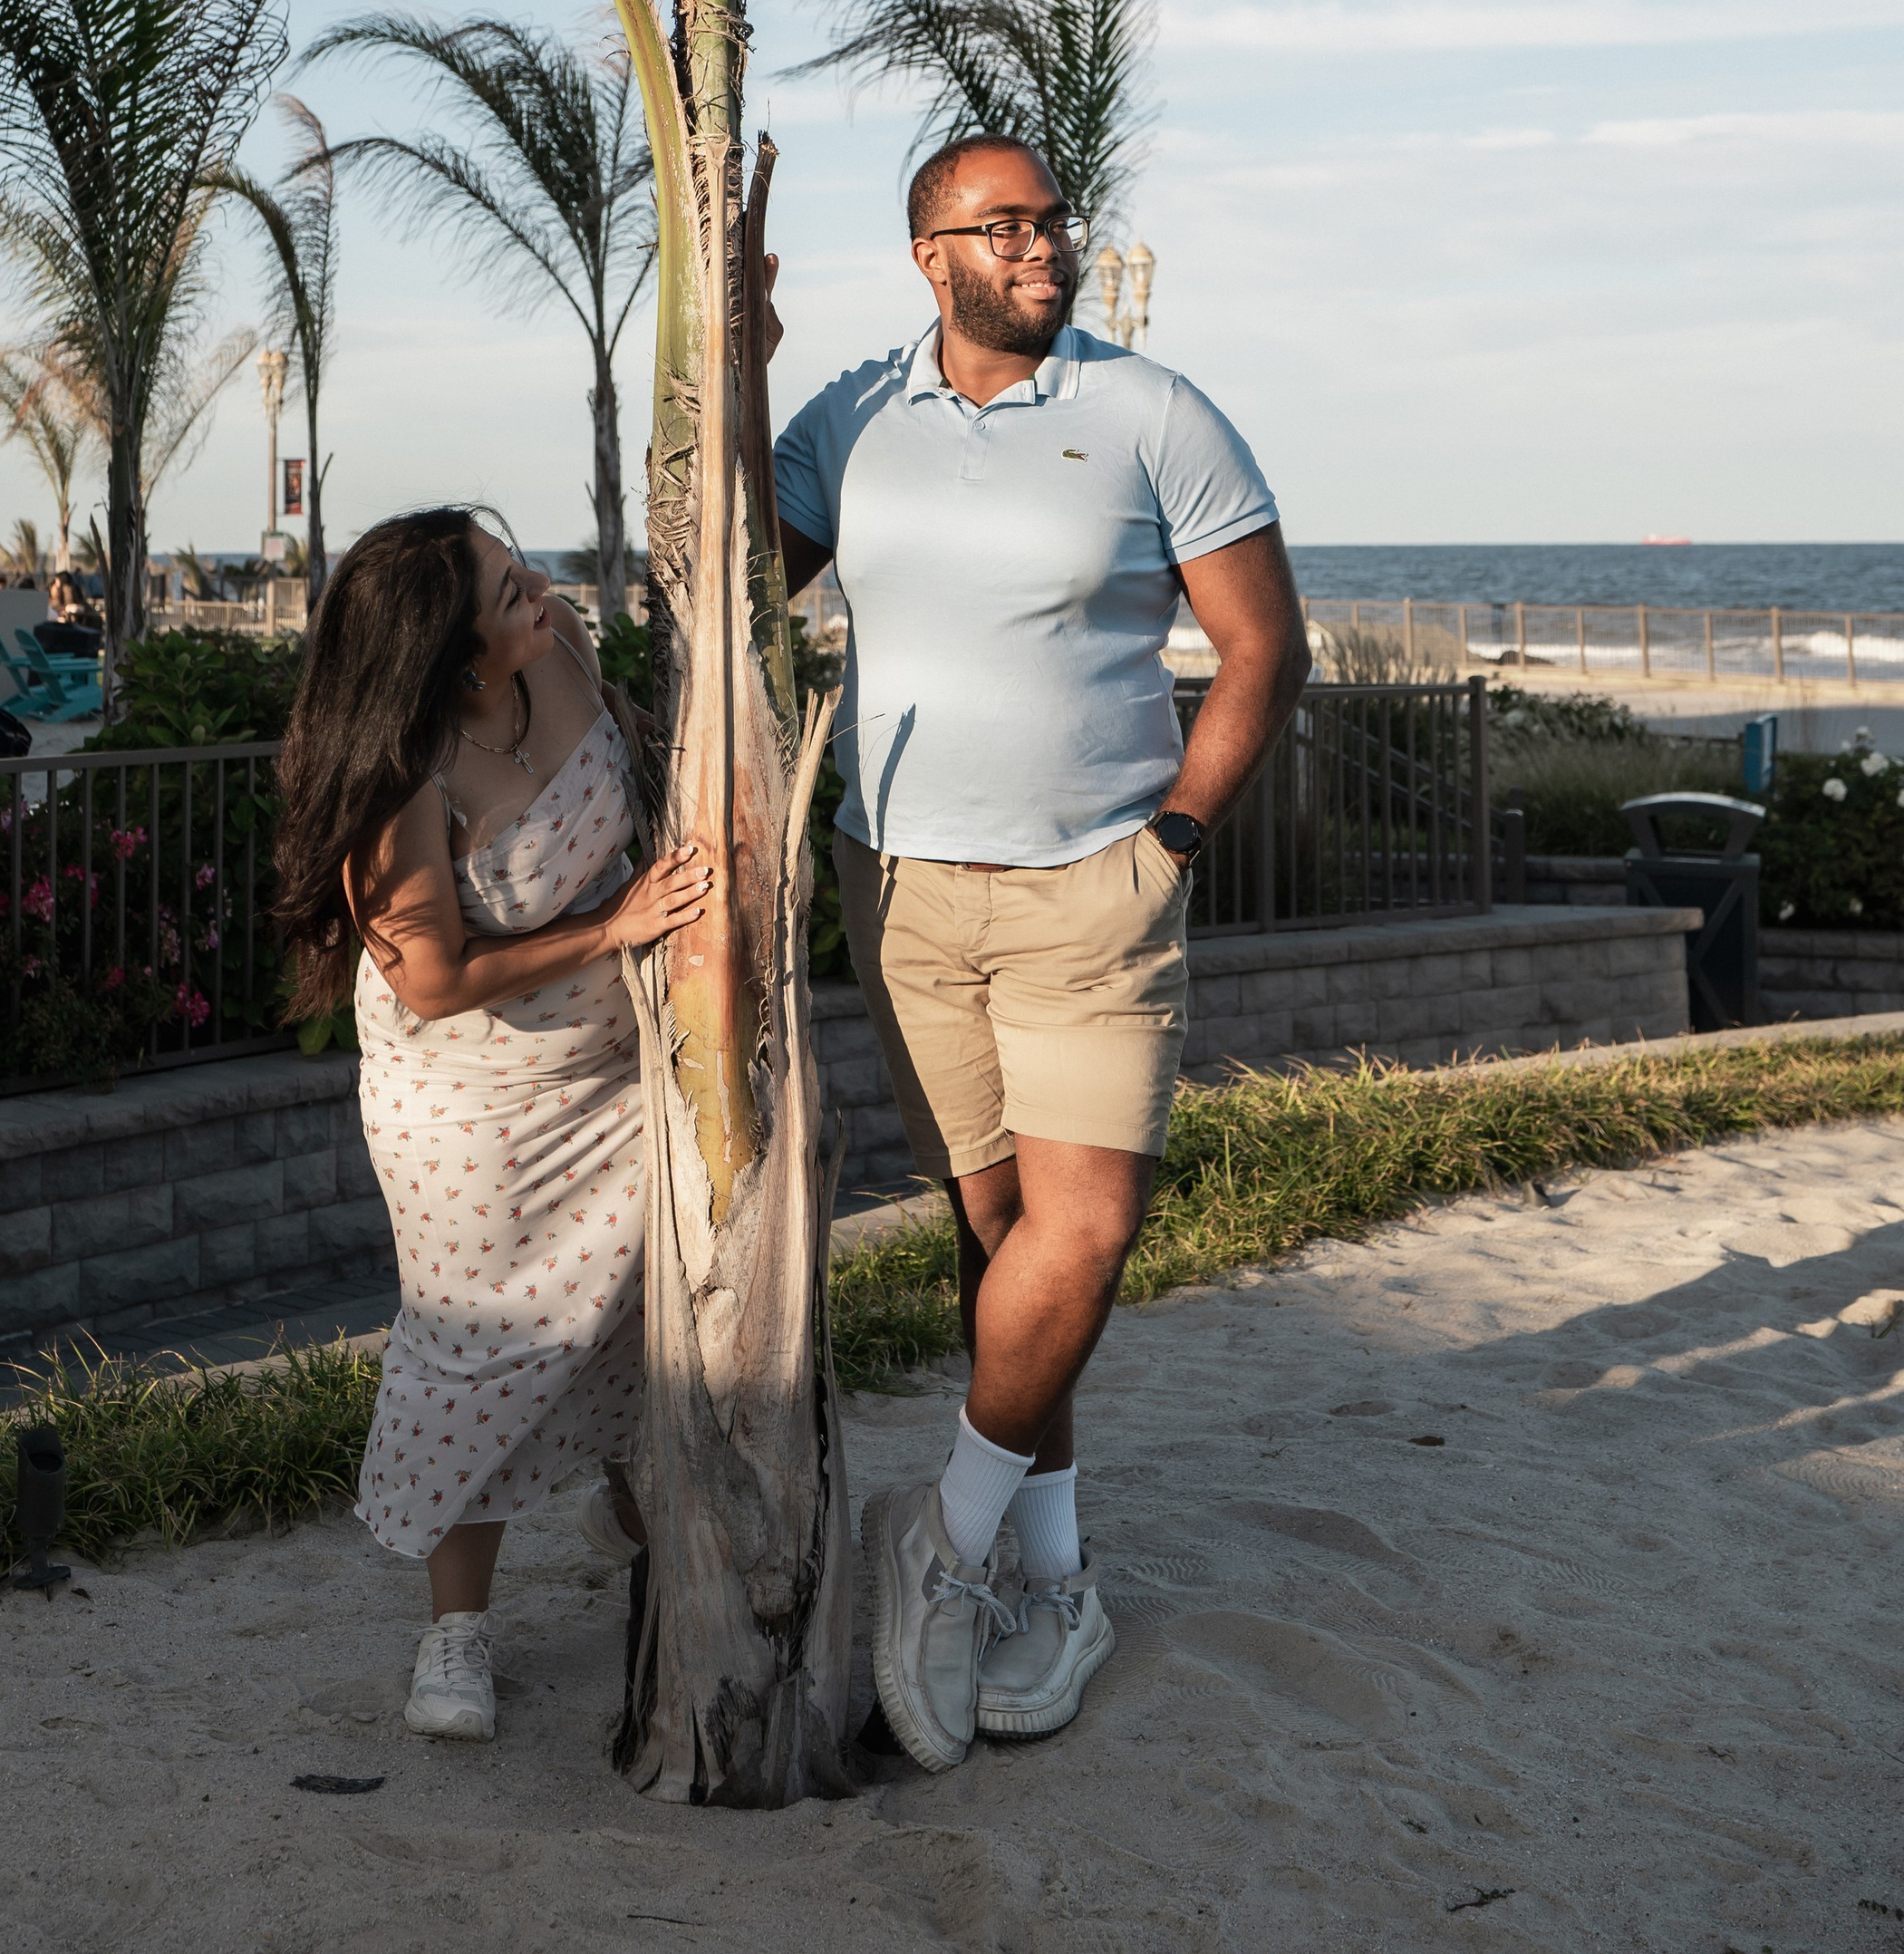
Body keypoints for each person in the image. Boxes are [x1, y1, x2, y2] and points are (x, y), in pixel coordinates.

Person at [772, 135, 1310, 1772]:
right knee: (997, 1236)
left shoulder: (1152, 412)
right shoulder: (850, 420)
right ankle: (1057, 1580)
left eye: (1053, 221)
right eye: (1003, 226)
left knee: (1083, 1230)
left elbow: (1264, 645)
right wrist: (735, 357)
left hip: (1097, 889)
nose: (1043, 247)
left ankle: (941, 1537)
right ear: (928, 254)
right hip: (903, 888)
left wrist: (1175, 841)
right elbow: (725, 573)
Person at [271, 508, 710, 1744]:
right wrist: (616, 928)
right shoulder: (403, 779)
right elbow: (433, 979)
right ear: (446, 646)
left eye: (524, 572)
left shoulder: (560, 652)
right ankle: (456, 1633)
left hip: (623, 1066)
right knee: (481, 1348)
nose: (542, 593)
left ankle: (641, 1516)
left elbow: (641, 758)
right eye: (509, 589)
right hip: (474, 1116)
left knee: (650, 1306)